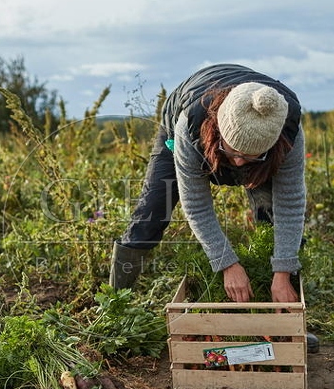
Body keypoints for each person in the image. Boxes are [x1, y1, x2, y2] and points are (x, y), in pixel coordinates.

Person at [109, 63, 317, 350]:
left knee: (271, 218)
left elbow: (291, 205)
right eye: (233, 153)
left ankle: (287, 323)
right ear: (220, 133)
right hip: (191, 124)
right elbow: (196, 204)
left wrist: (282, 271)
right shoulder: (191, 126)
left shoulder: (287, 135)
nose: (240, 164)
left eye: (250, 157)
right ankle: (113, 312)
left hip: (249, 144)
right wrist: (227, 264)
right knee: (151, 215)